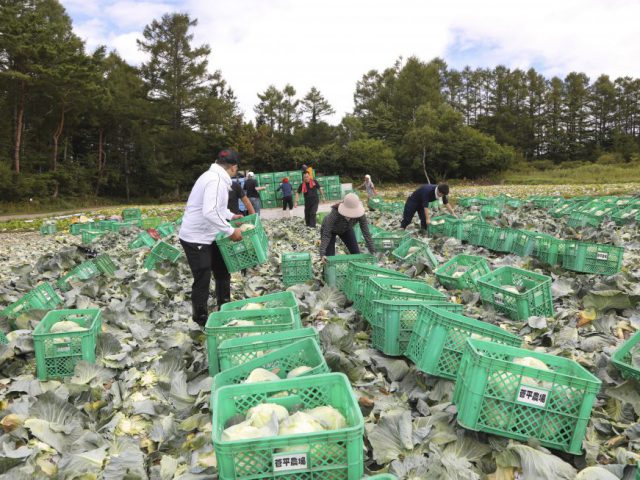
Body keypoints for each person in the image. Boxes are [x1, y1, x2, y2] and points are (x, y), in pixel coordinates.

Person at [178, 148, 244, 327]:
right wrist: (230, 231)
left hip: (210, 235)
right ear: (233, 167)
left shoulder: (216, 178)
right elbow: (209, 211)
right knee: (203, 277)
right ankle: (200, 319)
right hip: (195, 237)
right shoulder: (214, 180)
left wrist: (231, 216)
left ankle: (225, 306)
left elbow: (218, 208)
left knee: (223, 269)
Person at [319, 193, 376, 260]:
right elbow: (326, 233)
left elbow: (366, 232)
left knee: (356, 253)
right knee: (329, 257)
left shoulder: (360, 214)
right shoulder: (335, 212)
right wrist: (322, 253)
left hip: (346, 229)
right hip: (331, 231)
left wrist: (372, 250)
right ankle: (326, 270)